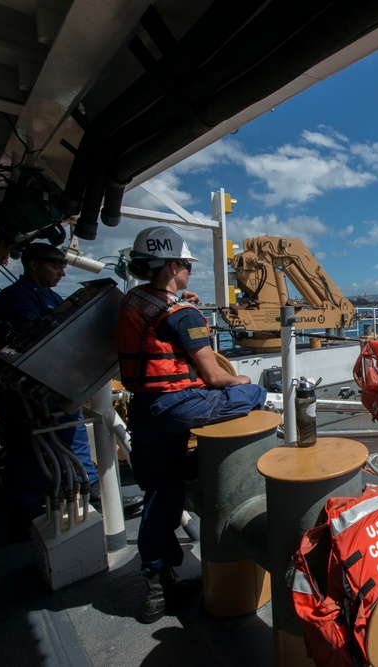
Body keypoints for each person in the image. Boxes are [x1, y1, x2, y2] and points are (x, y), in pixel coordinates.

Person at [116, 226, 266, 624]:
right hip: (177, 406)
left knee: (160, 493)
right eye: (184, 264)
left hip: (144, 409)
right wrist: (243, 382)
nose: (188, 271)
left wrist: (179, 303)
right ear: (170, 266)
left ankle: (156, 585)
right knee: (255, 394)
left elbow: (156, 328)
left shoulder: (134, 300)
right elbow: (215, 377)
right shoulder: (184, 315)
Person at [0, 243, 100, 530]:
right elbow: (35, 338)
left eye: (64, 266)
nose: (62, 272)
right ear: (33, 265)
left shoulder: (50, 297)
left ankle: (92, 493)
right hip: (28, 390)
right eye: (56, 266)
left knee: (73, 438)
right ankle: (27, 512)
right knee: (28, 448)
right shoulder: (13, 299)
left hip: (58, 384)